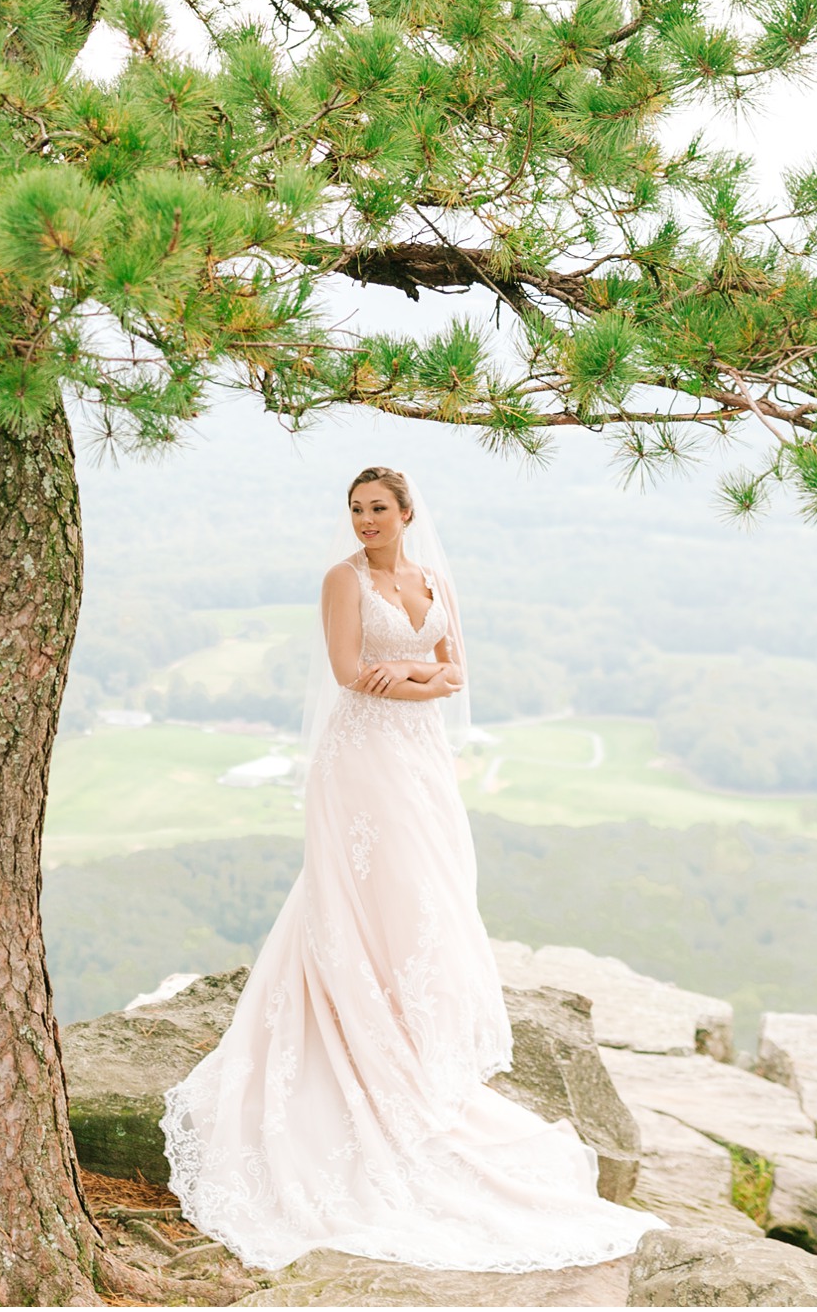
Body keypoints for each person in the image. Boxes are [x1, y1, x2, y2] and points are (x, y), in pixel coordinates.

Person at [160, 466, 666, 1273]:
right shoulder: (342, 580)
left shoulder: (430, 579)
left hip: (418, 759)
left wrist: (421, 679)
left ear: (406, 513)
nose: (365, 520)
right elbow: (349, 672)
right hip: (359, 758)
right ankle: (348, 1023)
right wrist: (416, 680)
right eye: (355, 509)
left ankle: (405, 1024)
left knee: (423, 892)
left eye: (378, 509)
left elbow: (457, 673)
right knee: (363, 888)